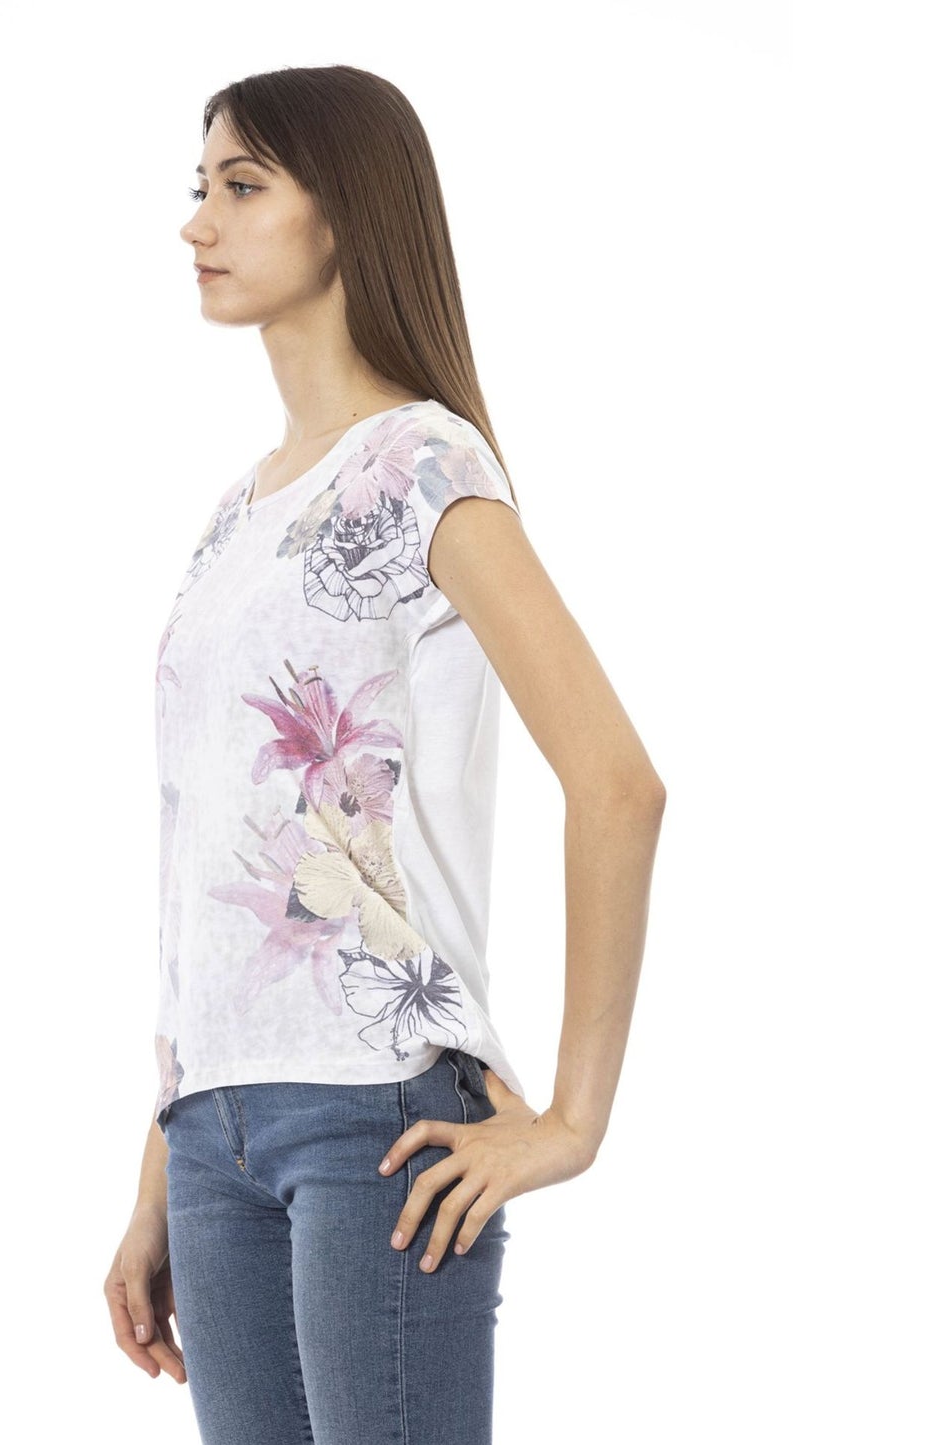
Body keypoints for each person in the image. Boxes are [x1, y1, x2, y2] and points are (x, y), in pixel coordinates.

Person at [104, 64, 666, 1445]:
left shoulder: (422, 467)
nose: (197, 223)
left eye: (242, 187)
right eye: (199, 187)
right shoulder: (236, 517)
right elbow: (211, 848)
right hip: (214, 1136)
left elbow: (616, 782)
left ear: (345, 212)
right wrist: (160, 1164)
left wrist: (573, 1121)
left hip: (379, 1122)